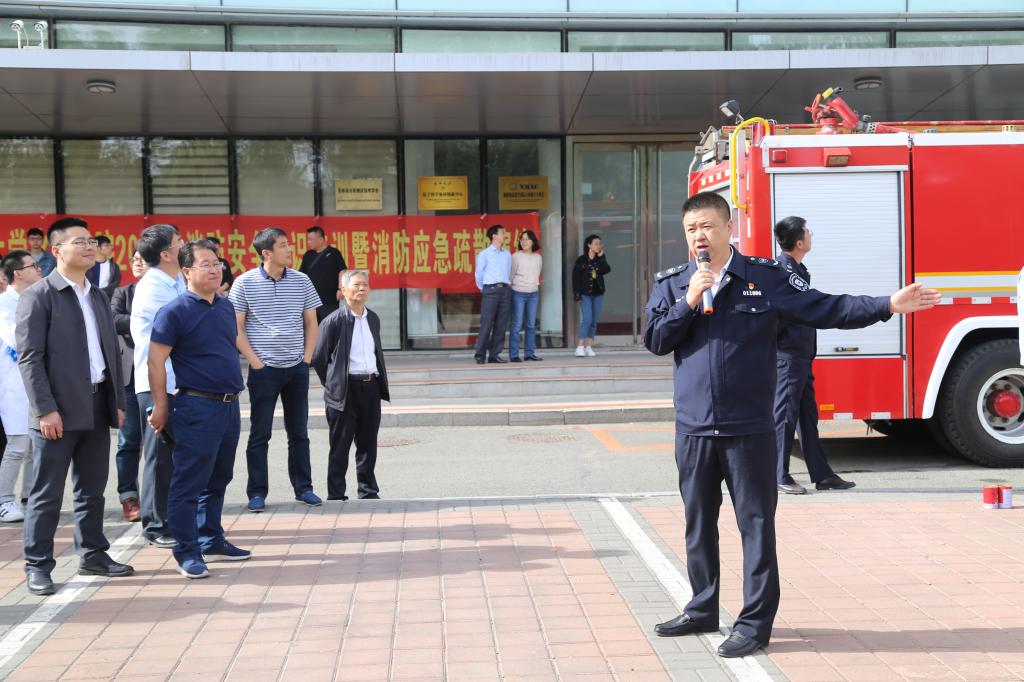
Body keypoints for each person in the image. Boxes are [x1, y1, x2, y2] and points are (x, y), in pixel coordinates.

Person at [644, 192, 939, 658]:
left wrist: (886, 304)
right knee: (698, 524)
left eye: (707, 226)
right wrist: (689, 300)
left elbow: (826, 308)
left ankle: (754, 624)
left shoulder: (765, 279)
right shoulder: (674, 283)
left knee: (756, 526)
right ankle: (702, 608)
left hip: (750, 429)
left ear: (728, 228)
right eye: (691, 229)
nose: (699, 236)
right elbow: (656, 339)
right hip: (695, 430)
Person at [16, 217, 133, 596]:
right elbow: (30, 358)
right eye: (79, 241)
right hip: (57, 411)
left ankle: (93, 554)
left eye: (92, 241)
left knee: (92, 489)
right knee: (46, 494)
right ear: (56, 250)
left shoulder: (96, 295)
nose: (89, 247)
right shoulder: (40, 296)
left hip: (96, 405)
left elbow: (110, 353)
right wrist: (45, 409)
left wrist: (116, 401)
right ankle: (38, 565)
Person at [147, 240, 251, 579]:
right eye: (205, 264)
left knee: (219, 477)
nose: (215, 269)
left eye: (217, 262)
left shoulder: (225, 306)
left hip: (230, 405)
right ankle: (187, 552)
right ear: (187, 271)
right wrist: (161, 404)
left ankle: (211, 539)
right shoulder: (174, 311)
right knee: (189, 482)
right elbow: (156, 361)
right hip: (196, 405)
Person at [230, 227, 322, 512]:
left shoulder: (302, 280)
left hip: (297, 367)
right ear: (266, 253)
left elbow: (311, 322)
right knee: (260, 434)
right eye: (283, 245)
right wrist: (256, 362)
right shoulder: (243, 283)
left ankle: (304, 488)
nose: (290, 249)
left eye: (288, 244)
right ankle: (257, 492)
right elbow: (236, 327)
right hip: (264, 370)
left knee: (299, 432)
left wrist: (306, 359)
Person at [772, 217, 855, 495]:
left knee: (807, 417)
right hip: (789, 355)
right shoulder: (785, 272)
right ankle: (778, 474)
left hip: (800, 354)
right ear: (799, 242)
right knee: (785, 415)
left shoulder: (797, 270)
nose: (811, 234)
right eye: (808, 231)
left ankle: (822, 475)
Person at [313, 270, 391, 501]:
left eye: (365, 284)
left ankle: (368, 491)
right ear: (343, 290)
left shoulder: (373, 318)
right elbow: (319, 358)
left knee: (368, 443)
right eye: (356, 285)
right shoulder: (333, 321)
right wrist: (333, 383)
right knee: (340, 445)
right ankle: (336, 495)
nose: (362, 289)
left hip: (370, 386)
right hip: (344, 390)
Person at [131, 224, 186, 549]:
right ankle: (155, 524)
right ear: (165, 254)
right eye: (179, 242)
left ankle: (172, 519)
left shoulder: (176, 280)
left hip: (178, 382)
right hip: (158, 382)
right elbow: (179, 331)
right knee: (159, 455)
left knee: (176, 456)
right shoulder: (153, 287)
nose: (184, 245)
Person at [0, 251, 43, 523]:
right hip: (13, 383)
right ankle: (4, 500)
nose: (39, 269)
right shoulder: (4, 303)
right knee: (17, 446)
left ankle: (29, 498)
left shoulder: (37, 298)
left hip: (37, 381)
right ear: (18, 273)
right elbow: (17, 339)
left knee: (35, 446)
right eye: (33, 266)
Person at [110, 249, 148, 522]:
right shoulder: (123, 292)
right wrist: (144, 320)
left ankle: (162, 498)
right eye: (134, 259)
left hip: (161, 377)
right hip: (130, 378)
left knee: (164, 442)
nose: (137, 262)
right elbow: (113, 320)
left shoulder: (170, 291)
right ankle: (128, 496)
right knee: (129, 440)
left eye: (143, 259)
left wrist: (130, 322)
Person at [473, 225, 512, 365]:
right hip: (490, 290)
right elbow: (479, 274)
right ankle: (480, 354)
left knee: (501, 325)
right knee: (487, 323)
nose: (504, 235)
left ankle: (494, 354)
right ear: (494, 236)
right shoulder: (484, 254)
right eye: (502, 233)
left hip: (505, 290)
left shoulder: (507, 254)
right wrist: (485, 289)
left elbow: (508, 272)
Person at [572, 234, 611, 358]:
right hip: (585, 294)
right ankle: (579, 346)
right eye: (596, 244)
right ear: (589, 245)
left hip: (598, 294)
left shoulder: (600, 259)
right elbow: (575, 279)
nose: (599, 246)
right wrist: (577, 295)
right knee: (587, 319)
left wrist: (602, 258)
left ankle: (588, 346)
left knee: (594, 321)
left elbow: (606, 270)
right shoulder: (581, 260)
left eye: (600, 244)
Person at [299, 226, 347, 323]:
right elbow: (301, 275)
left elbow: (342, 271)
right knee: (312, 329)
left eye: (311, 239)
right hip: (311, 302)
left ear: (321, 239)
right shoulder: (308, 255)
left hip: (330, 301)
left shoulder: (334, 253)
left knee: (330, 328)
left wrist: (340, 288)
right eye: (308, 239)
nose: (308, 242)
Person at [509, 230, 543, 363]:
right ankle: (514, 354)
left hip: (533, 293)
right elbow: (511, 276)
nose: (524, 242)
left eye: (527, 239)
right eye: (522, 239)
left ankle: (529, 353)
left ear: (533, 241)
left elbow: (537, 274)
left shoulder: (538, 257)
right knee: (517, 325)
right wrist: (516, 287)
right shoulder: (515, 256)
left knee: (531, 325)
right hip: (518, 293)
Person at [86, 235, 121, 300]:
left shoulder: (113, 267)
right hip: (88, 299)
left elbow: (115, 285)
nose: (111, 247)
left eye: (110, 245)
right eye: (106, 245)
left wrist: (100, 293)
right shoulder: (87, 265)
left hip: (107, 300)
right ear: (98, 248)